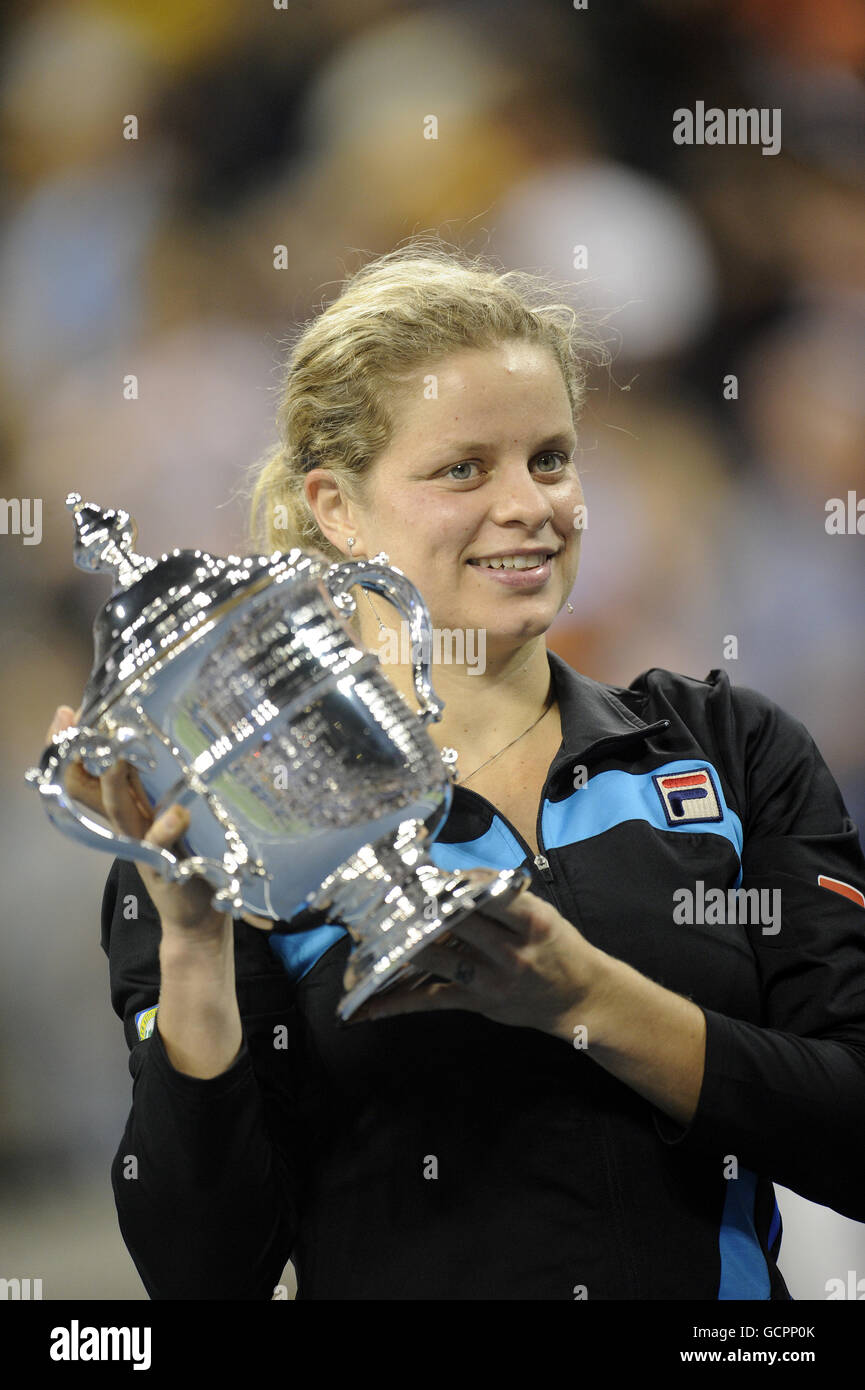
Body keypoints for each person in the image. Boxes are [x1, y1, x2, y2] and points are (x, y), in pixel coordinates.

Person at [47, 240, 865, 1300]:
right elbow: (202, 1274)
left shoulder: (729, 752)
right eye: (462, 469)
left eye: (552, 459)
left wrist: (587, 999)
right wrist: (197, 946)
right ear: (338, 507)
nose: (529, 505)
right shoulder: (231, 826)